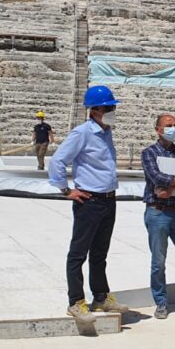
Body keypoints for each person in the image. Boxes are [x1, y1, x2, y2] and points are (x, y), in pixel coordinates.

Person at [48, 85, 129, 323]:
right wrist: (66, 190)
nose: (112, 110)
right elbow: (57, 161)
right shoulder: (82, 133)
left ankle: (101, 296)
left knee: (100, 253)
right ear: (94, 110)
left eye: (113, 106)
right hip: (89, 201)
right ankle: (75, 301)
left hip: (108, 199)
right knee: (78, 253)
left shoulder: (106, 132)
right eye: (108, 107)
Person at [141, 113, 175, 320]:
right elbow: (156, 176)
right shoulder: (149, 153)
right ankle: (161, 302)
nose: (173, 128)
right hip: (158, 212)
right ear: (158, 129)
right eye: (168, 126)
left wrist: (170, 186)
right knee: (158, 261)